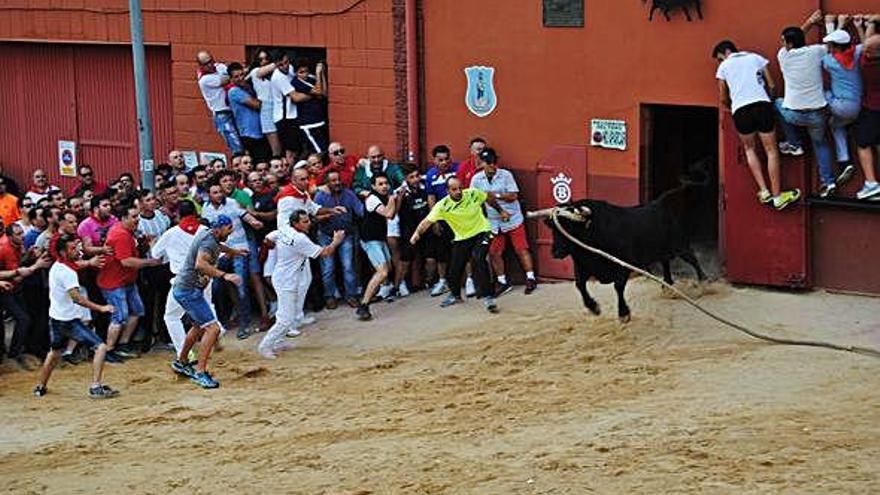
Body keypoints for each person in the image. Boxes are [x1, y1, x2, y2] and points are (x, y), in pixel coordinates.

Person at [713, 40, 802, 210]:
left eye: (719, 58)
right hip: (762, 105)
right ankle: (777, 196)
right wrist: (770, 99)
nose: (719, 61)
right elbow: (772, 84)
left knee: (749, 149)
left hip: (740, 110)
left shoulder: (724, 67)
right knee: (771, 151)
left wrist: (733, 106)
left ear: (725, 52)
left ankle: (764, 190)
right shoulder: (755, 58)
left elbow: (723, 96)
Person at [775, 10, 854, 197]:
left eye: (783, 41)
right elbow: (831, 44)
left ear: (789, 43)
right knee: (821, 144)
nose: (782, 44)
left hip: (794, 113)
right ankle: (828, 182)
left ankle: (794, 143)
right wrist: (840, 25)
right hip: (818, 113)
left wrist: (809, 22)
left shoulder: (783, 56)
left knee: (777, 103)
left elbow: (794, 40)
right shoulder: (817, 51)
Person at [33, 234, 119, 399]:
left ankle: (40, 386)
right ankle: (95, 386)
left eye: (78, 246)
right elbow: (77, 298)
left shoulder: (58, 266)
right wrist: (101, 308)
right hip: (69, 320)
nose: (78, 250)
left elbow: (75, 266)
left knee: (55, 352)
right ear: (63, 252)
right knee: (100, 347)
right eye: (73, 248)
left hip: (55, 318)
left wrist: (87, 262)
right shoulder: (68, 273)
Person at [410, 177, 510, 313]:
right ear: (447, 191)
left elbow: (489, 198)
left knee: (478, 258)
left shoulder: (473, 193)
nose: (458, 192)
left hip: (483, 232)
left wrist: (501, 211)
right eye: (454, 189)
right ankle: (455, 295)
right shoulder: (442, 206)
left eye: (460, 188)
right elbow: (426, 222)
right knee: (454, 270)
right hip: (462, 238)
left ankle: (488, 298)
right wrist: (417, 233)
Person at [171, 215, 246, 389]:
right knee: (213, 329)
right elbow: (200, 264)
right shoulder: (208, 242)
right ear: (219, 229)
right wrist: (224, 275)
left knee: (198, 326)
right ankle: (200, 372)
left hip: (187, 289)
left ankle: (181, 362)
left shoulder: (209, 234)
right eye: (228, 229)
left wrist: (232, 252)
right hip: (188, 291)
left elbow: (218, 246)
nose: (230, 232)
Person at [258, 211, 345, 359]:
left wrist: (268, 247)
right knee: (287, 318)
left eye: (308, 220)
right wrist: (336, 241)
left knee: (286, 315)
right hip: (287, 281)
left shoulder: (285, 229)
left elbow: (269, 237)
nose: (309, 223)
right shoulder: (299, 239)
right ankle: (265, 346)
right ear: (296, 224)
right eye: (304, 222)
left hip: (284, 277)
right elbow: (324, 252)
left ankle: (278, 341)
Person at [151, 201, 225, 357]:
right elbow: (220, 252)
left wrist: (154, 244)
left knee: (171, 317)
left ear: (178, 215)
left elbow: (155, 255)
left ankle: (183, 352)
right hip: (204, 276)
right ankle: (216, 336)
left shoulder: (170, 233)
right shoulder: (207, 231)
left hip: (183, 280)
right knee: (205, 308)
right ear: (196, 214)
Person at [470, 148, 539, 295]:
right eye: (488, 163)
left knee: (521, 249)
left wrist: (496, 195)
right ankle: (502, 281)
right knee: (494, 252)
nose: (492, 166)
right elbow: (473, 199)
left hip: (513, 217)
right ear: (482, 164)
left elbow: (513, 196)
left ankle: (530, 278)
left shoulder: (506, 175)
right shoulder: (476, 180)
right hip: (493, 221)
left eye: (494, 162)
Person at [98, 204, 163, 358]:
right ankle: (109, 349)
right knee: (119, 316)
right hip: (114, 283)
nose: (137, 220)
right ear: (124, 218)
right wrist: (150, 262)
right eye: (133, 217)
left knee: (137, 311)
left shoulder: (126, 232)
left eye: (137, 216)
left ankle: (123, 344)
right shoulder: (121, 235)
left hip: (125, 280)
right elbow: (126, 261)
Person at [201, 181, 264, 338]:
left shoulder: (232, 202)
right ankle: (223, 321)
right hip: (219, 252)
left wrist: (254, 222)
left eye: (220, 192)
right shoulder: (205, 208)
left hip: (238, 249)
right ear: (209, 194)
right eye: (215, 192)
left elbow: (244, 215)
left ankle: (245, 324)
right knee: (215, 288)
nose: (219, 195)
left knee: (241, 286)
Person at [0, 223, 51, 368]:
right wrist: (37, 265)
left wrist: (28, 256)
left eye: (22, 233)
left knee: (25, 318)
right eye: (18, 234)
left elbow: (18, 266)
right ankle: (13, 354)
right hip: (7, 290)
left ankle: (15, 351)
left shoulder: (17, 245)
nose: (22, 236)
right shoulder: (6, 248)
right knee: (23, 319)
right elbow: (16, 275)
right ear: (9, 237)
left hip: (13, 288)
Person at [315, 170, 363, 309]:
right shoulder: (320, 196)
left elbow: (360, 210)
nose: (337, 183)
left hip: (345, 234)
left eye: (338, 180)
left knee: (348, 266)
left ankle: (351, 295)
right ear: (327, 183)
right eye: (333, 181)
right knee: (328, 268)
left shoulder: (348, 194)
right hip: (326, 235)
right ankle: (329, 296)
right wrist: (329, 214)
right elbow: (314, 217)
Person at [822, 21, 863, 178]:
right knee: (835, 125)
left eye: (832, 45)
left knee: (822, 94)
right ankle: (844, 161)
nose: (829, 49)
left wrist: (834, 23)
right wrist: (860, 26)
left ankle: (844, 160)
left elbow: (824, 53)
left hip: (841, 106)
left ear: (837, 46)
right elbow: (866, 44)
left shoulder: (830, 62)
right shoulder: (858, 53)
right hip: (859, 105)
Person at [355, 173, 397, 321]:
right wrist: (393, 198)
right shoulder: (372, 199)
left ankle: (382, 290)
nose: (384, 186)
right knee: (383, 272)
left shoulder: (382, 197)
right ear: (373, 186)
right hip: (370, 240)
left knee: (388, 269)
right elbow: (389, 214)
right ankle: (363, 305)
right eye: (380, 184)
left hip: (378, 238)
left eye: (386, 183)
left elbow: (390, 214)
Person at [423, 145, 459, 296]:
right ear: (434, 160)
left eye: (446, 159)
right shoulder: (430, 175)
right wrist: (434, 221)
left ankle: (470, 280)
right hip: (443, 219)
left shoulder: (458, 169)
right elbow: (431, 199)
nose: (444, 162)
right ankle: (443, 281)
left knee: (464, 250)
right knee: (441, 253)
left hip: (459, 217)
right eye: (440, 160)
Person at [196, 50, 242, 155]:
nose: (210, 64)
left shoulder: (219, 67)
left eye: (211, 60)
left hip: (234, 109)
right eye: (206, 63)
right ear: (201, 66)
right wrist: (233, 75)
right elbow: (227, 79)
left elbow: (232, 75)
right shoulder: (204, 79)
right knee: (236, 146)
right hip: (222, 114)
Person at [853, 22, 880, 200]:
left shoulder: (867, 65)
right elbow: (869, 46)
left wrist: (866, 24)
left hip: (872, 108)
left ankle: (871, 183)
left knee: (863, 143)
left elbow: (865, 47)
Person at [270, 51, 314, 162]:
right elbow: (296, 97)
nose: (285, 66)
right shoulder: (278, 77)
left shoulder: (290, 68)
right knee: (291, 151)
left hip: (293, 115)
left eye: (286, 62)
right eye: (281, 64)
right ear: (276, 65)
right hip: (285, 119)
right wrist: (315, 95)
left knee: (301, 147)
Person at [395, 164, 430, 297]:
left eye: (417, 176)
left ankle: (424, 283)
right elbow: (394, 213)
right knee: (405, 260)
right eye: (412, 177)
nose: (415, 179)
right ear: (406, 178)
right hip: (407, 230)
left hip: (424, 228)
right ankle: (397, 287)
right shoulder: (400, 192)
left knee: (426, 258)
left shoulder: (424, 187)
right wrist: (400, 198)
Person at [228, 62, 272, 163]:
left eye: (242, 75)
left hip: (260, 133)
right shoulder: (234, 91)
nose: (240, 78)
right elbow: (257, 105)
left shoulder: (246, 87)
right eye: (236, 76)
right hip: (250, 135)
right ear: (231, 79)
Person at [248, 48, 283, 158]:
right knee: (276, 147)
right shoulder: (255, 72)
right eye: (261, 59)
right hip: (266, 109)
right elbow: (265, 70)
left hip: (279, 107)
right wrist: (281, 60)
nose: (264, 61)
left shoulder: (276, 74)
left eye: (266, 58)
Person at [292, 59, 329, 154]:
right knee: (318, 151)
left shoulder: (310, 79)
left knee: (324, 149)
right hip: (308, 123)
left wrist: (322, 75)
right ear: (296, 73)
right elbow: (318, 91)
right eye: (301, 72)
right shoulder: (296, 82)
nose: (305, 74)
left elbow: (324, 93)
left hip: (319, 120)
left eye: (306, 71)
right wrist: (317, 72)